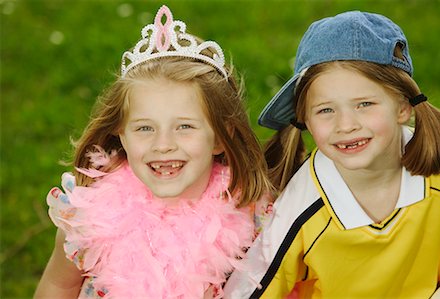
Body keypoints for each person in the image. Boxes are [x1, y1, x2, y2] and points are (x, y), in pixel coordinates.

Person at [34, 5, 272, 298]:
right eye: (145, 128)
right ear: (120, 134)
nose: (163, 144)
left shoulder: (252, 220)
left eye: (185, 126)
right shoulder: (90, 221)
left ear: (221, 138)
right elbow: (59, 285)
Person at [224, 11, 440, 298]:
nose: (346, 125)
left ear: (403, 107)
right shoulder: (300, 207)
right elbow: (247, 289)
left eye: (365, 104)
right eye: (326, 110)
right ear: (304, 117)